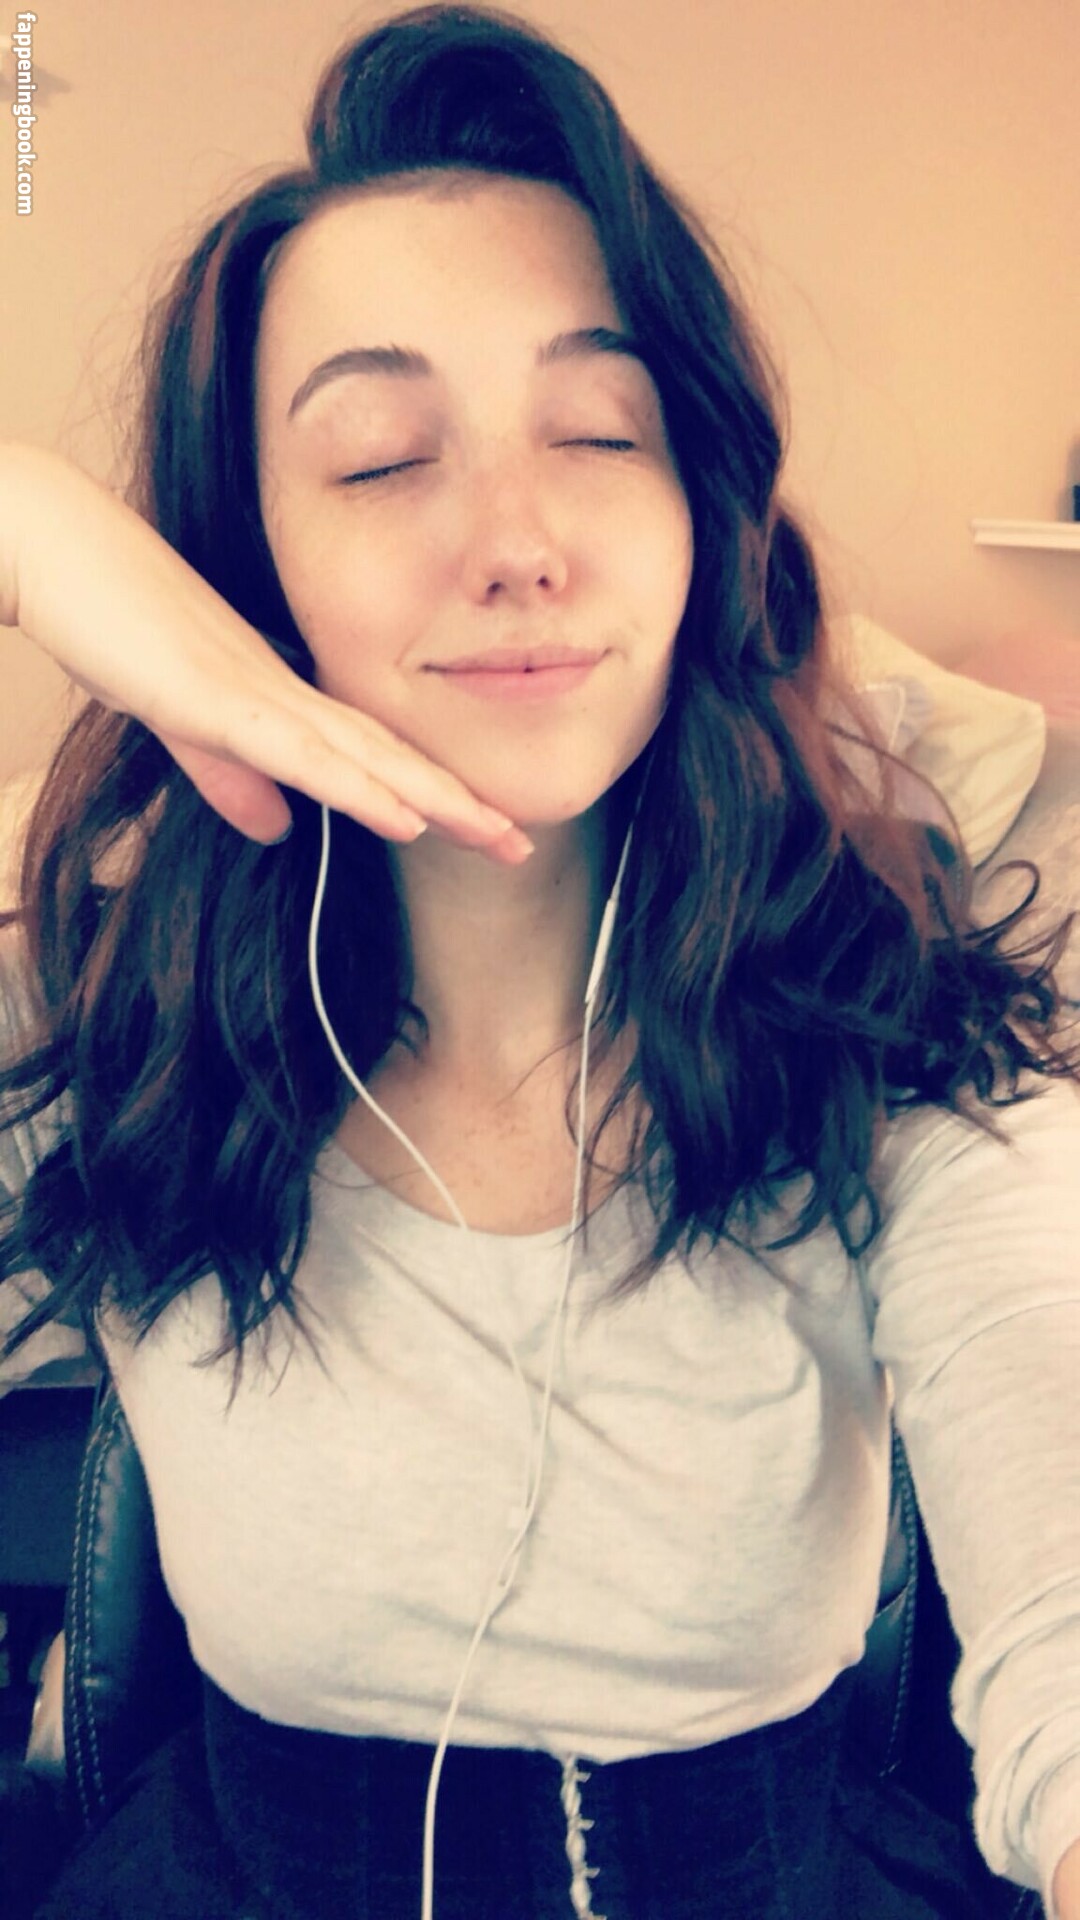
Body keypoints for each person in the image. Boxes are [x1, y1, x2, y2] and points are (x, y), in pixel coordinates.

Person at [1, 5, 1079, 1916]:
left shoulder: (902, 1055)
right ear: (242, 567)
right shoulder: (108, 1027)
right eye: (376, 460)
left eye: (600, 432)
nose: (519, 540)